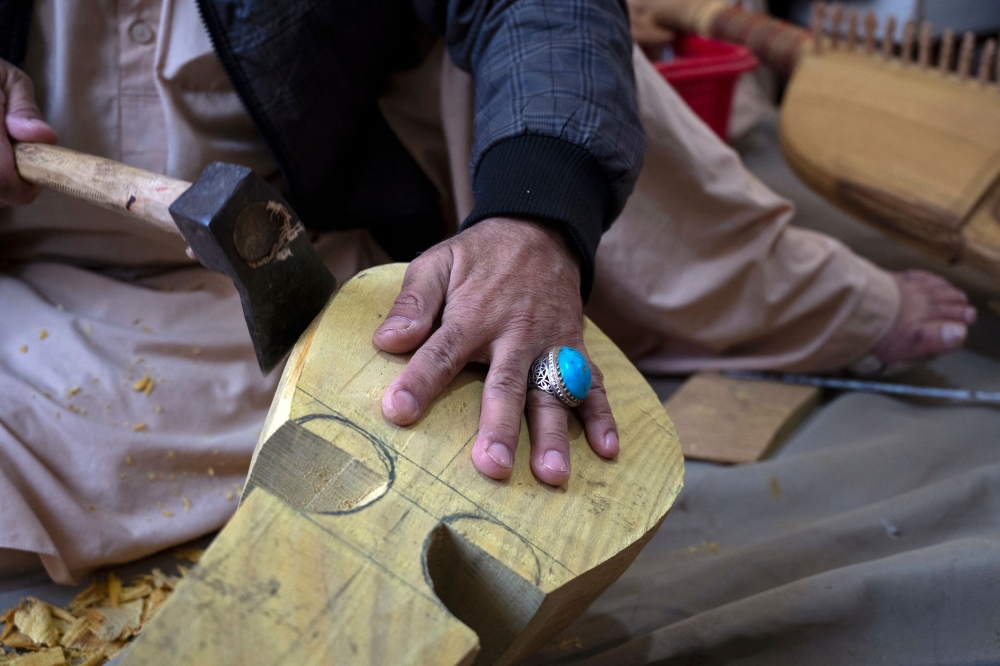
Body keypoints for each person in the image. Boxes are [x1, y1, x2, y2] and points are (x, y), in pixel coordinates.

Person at [0, 0, 975, 583]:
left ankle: (760, 295)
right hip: (38, 280)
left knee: (585, 98)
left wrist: (535, 218)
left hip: (348, 182)